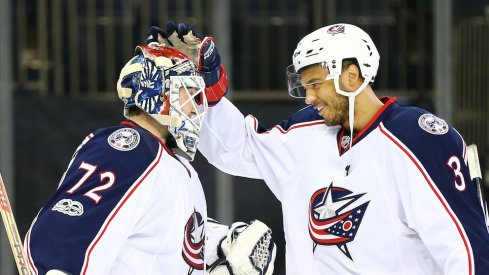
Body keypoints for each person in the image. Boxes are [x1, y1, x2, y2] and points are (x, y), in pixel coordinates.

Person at [147, 22, 489, 274]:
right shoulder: (306, 131)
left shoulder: (419, 139)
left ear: (351, 76)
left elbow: (465, 250)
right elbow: (236, 148)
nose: (309, 97)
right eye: (304, 85)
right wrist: (206, 90)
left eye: (314, 84)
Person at [23, 43, 276, 275]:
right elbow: (66, 232)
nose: (197, 108)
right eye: (188, 94)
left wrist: (219, 243)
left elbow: (155, 233)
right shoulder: (128, 148)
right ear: (156, 93)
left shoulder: (175, 166)